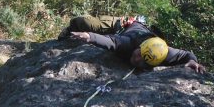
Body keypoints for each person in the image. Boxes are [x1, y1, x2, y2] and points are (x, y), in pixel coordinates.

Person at [66, 18, 205, 73]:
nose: (136, 59)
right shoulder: (129, 44)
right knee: (83, 21)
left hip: (146, 33)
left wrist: (193, 62)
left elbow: (186, 55)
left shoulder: (163, 54)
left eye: (143, 61)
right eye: (138, 54)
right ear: (139, 47)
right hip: (123, 25)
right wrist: (89, 36)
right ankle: (65, 34)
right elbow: (112, 42)